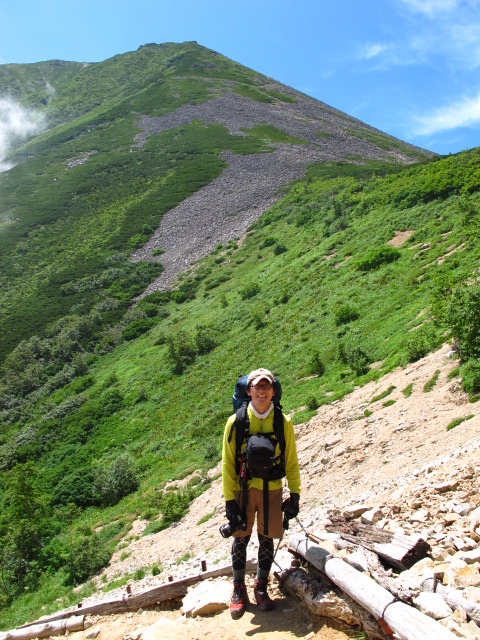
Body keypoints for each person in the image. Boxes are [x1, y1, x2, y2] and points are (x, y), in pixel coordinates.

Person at [221, 367, 301, 619]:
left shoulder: (283, 422)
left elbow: (291, 461)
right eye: (258, 386)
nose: (262, 390)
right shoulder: (236, 422)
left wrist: (295, 494)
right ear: (249, 390)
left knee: (266, 539)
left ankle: (261, 587)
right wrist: (229, 502)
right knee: (240, 538)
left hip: (272, 488)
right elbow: (227, 464)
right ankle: (238, 590)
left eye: (267, 386)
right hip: (244, 489)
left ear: (273, 390)